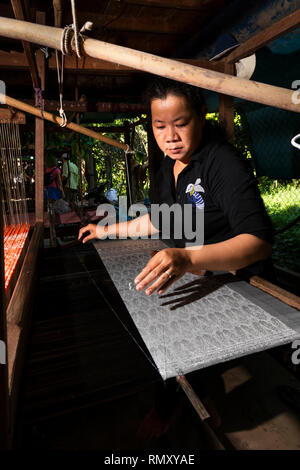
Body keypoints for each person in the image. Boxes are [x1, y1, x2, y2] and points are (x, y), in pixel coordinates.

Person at [78, 77, 274, 436]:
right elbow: (159, 217)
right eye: (160, 126)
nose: (170, 136)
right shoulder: (168, 170)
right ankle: (194, 390)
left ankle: (166, 407)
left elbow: (258, 241)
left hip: (236, 276)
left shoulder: (221, 162)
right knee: (156, 306)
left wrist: (188, 260)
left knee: (174, 330)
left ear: (201, 117)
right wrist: (105, 230)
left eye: (181, 124)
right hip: (198, 268)